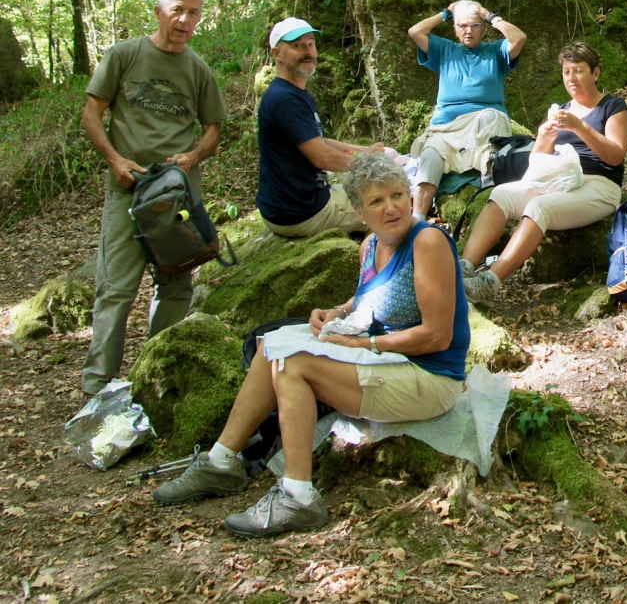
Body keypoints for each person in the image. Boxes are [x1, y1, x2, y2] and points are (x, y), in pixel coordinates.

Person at [152, 154, 469, 537]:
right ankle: (220, 462)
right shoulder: (369, 246)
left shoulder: (427, 242)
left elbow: (437, 336)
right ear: (359, 210)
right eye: (377, 201)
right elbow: (365, 303)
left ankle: (298, 497)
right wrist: (335, 311)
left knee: (294, 364)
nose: (391, 208)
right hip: (386, 361)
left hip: (430, 377)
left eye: (398, 195)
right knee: (272, 345)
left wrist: (363, 342)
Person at [81, 0, 227, 396]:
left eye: (194, 12)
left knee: (177, 285)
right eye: (178, 9)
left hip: (178, 196)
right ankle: (97, 388)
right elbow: (92, 114)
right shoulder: (124, 55)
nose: (185, 20)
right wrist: (115, 159)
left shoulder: (198, 69)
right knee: (116, 288)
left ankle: (152, 378)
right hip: (128, 191)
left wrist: (193, 156)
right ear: (159, 10)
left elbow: (214, 129)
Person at [461, 42, 627, 304]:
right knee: (501, 194)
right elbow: (538, 162)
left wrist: (579, 127)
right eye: (566, 72)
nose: (571, 78)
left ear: (595, 73)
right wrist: (543, 138)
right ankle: (464, 267)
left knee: (540, 207)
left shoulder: (613, 107)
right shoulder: (562, 109)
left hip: (599, 185)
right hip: (559, 179)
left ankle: (490, 282)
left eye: (578, 71)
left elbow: (616, 155)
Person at [256, 17, 386, 238]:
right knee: (384, 203)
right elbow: (323, 157)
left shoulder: (294, 91)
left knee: (366, 185)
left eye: (311, 43)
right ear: (277, 54)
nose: (308, 52)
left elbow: (320, 141)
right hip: (302, 212)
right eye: (298, 46)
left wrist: (365, 151)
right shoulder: (285, 99)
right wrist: (370, 164)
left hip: (288, 206)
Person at [405, 0, 528, 219]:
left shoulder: (496, 51)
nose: (468, 30)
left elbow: (519, 38)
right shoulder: (445, 49)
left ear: (483, 29)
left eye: (475, 25)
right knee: (431, 153)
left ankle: (488, 183)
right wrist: (446, 13)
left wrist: (491, 16)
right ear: (455, 29)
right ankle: (418, 219)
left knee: (492, 118)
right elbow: (415, 31)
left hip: (484, 121)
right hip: (446, 126)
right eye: (462, 26)